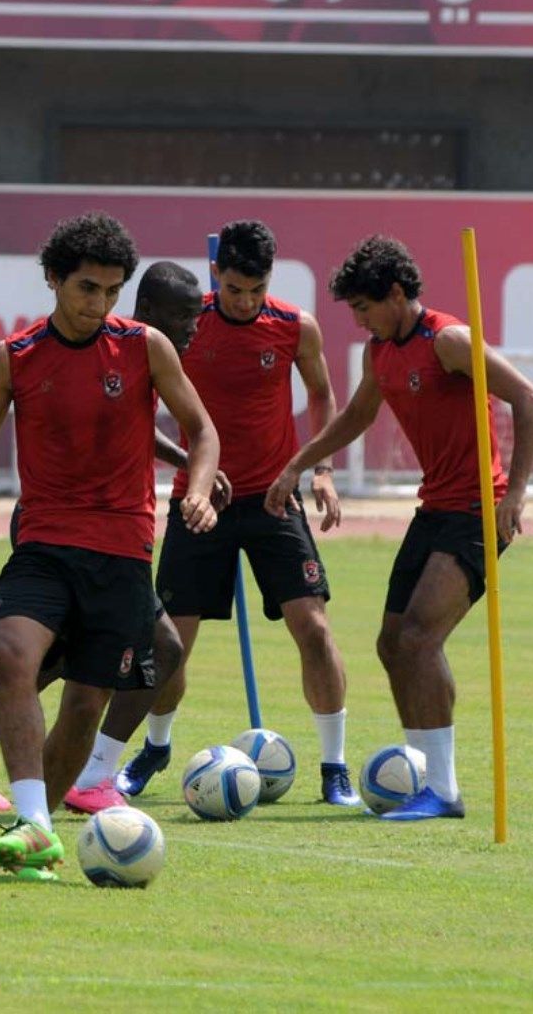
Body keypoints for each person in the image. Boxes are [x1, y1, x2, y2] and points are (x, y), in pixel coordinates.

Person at [0, 214, 220, 881]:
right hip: (43, 542)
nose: (99, 304)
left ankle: (40, 827)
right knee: (11, 650)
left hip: (121, 552)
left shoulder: (145, 347)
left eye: (112, 291)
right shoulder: (15, 356)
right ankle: (33, 821)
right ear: (54, 280)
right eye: (87, 288)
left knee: (87, 702)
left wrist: (198, 490)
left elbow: (201, 429)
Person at [265, 235, 533, 821]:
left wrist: (514, 496)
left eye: (365, 308)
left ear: (395, 294)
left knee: (419, 638)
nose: (360, 320)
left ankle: (442, 791)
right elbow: (358, 417)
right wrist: (299, 464)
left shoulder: (449, 340)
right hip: (434, 509)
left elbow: (529, 400)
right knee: (393, 644)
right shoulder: (379, 353)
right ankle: (424, 781)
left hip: (478, 510)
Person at [117, 221, 360, 806]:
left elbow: (323, 396)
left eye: (255, 290)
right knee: (171, 642)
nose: (245, 301)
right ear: (215, 276)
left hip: (275, 497)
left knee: (316, 631)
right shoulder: (183, 324)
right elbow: (139, 402)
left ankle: (334, 766)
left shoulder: (294, 326)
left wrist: (318, 470)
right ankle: (155, 746)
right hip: (199, 501)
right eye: (233, 290)